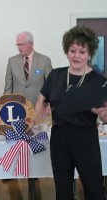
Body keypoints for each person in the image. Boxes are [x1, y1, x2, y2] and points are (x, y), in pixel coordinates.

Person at [34, 26, 106, 200]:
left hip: (85, 139)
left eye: (82, 51)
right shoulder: (56, 75)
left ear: (89, 54)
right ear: (67, 51)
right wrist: (37, 121)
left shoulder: (99, 81)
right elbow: (41, 100)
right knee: (63, 189)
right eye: (72, 51)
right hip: (59, 139)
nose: (76, 55)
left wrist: (103, 114)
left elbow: (105, 115)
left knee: (94, 188)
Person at [3, 31, 52, 107]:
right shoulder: (12, 61)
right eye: (18, 45)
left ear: (31, 44)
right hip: (17, 109)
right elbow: (7, 89)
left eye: (21, 44)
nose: (19, 47)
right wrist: (6, 106)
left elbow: (50, 87)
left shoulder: (45, 61)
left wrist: (49, 107)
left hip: (39, 109)